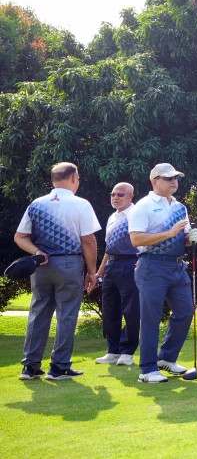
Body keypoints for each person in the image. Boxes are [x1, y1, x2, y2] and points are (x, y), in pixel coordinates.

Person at [15, 162, 100, 380]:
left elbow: (20, 237)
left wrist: (37, 252)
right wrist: (92, 271)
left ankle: (30, 366)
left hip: (40, 265)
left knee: (38, 312)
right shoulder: (80, 204)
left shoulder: (37, 203)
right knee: (67, 314)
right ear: (73, 177)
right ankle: (59, 367)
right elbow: (89, 241)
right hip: (69, 263)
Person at [129, 163, 197, 383]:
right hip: (152, 265)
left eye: (175, 178)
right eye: (168, 178)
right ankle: (147, 369)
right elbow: (136, 238)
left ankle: (166, 358)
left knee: (185, 312)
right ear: (154, 181)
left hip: (177, 266)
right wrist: (168, 233)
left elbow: (183, 237)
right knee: (151, 318)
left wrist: (190, 238)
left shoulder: (180, 207)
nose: (173, 182)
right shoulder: (144, 206)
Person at [94, 182, 139, 367]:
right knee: (109, 310)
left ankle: (127, 351)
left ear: (131, 196)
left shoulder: (136, 214)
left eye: (120, 194)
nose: (115, 197)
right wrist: (99, 272)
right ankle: (113, 350)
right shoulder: (112, 217)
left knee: (131, 310)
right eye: (113, 194)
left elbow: (144, 241)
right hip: (111, 265)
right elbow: (108, 248)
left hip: (131, 263)